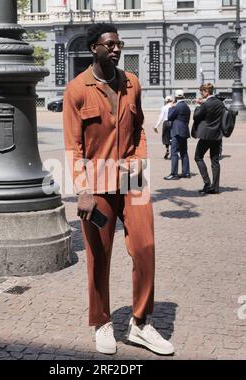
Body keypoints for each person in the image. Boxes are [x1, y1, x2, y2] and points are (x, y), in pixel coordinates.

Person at [63, 23, 174, 356]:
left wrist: (140, 159)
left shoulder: (132, 83)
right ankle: (102, 322)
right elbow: (73, 146)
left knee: (145, 247)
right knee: (99, 256)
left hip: (130, 178)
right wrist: (81, 190)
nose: (116, 49)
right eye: (109, 44)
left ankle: (140, 324)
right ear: (93, 48)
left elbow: (139, 129)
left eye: (119, 44)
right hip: (95, 182)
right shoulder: (77, 89)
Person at [193, 83, 225, 195]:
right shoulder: (220, 103)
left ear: (206, 91)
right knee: (215, 161)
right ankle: (215, 187)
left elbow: (196, 116)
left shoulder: (205, 104)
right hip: (217, 135)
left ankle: (207, 184)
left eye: (202, 91)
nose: (201, 94)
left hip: (206, 135)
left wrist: (198, 106)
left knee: (198, 157)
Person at [164, 89, 191, 180]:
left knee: (174, 152)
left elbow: (169, 117)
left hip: (176, 131)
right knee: (184, 152)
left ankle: (174, 173)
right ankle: (186, 172)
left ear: (175, 97)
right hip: (184, 131)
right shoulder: (186, 106)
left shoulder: (176, 106)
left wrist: (171, 107)